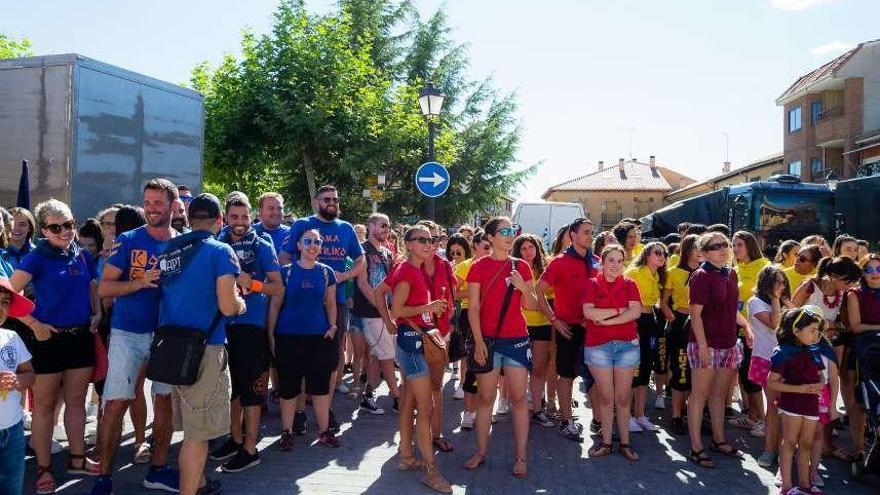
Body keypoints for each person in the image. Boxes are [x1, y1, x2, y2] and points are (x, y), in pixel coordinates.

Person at [92, 180, 181, 495]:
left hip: (168, 335)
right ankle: (103, 478)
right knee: (115, 403)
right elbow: (105, 289)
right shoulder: (129, 240)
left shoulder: (184, 244)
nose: (153, 208)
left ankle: (157, 470)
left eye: (159, 202)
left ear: (172, 205)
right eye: (148, 202)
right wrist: (139, 283)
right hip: (128, 332)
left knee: (164, 403)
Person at [10, 199, 102, 494]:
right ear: (44, 230)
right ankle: (44, 469)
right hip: (48, 341)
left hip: (80, 339)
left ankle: (77, 458)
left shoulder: (81, 254)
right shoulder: (37, 258)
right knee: (45, 407)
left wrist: (97, 311)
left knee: (76, 402)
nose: (65, 231)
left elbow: (91, 286)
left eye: (70, 225)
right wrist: (35, 325)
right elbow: (7, 295)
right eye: (56, 227)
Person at [158, 193, 244, 495]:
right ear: (219, 220)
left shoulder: (169, 249)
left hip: (172, 347)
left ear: (190, 218)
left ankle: (201, 483)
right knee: (198, 435)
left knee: (192, 429)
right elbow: (227, 305)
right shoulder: (221, 251)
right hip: (205, 349)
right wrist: (240, 304)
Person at [278, 185, 365, 430]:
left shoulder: (345, 228)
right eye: (327, 199)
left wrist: (344, 276)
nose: (332, 203)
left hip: (335, 302)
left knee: (330, 360)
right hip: (302, 302)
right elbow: (284, 257)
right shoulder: (301, 225)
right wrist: (294, 280)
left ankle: (326, 410)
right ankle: (298, 412)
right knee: (299, 362)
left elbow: (361, 260)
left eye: (335, 199)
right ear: (317, 201)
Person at [210, 195, 282, 472]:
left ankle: (251, 449)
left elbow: (277, 286)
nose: (239, 223)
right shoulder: (218, 244)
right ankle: (235, 438)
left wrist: (250, 282)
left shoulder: (263, 245)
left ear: (251, 217)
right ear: (226, 218)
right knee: (232, 389)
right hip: (222, 326)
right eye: (234, 217)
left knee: (252, 390)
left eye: (244, 217)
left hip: (252, 326)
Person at [379, 225, 453, 493]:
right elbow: (398, 308)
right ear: (408, 244)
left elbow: (379, 293)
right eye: (421, 239)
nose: (428, 243)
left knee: (411, 402)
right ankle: (432, 473)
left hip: (413, 343)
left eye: (431, 239)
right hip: (411, 347)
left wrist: (389, 324)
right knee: (426, 407)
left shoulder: (408, 268)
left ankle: (406, 457)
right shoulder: (408, 271)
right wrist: (428, 308)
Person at [464, 217, 536, 479]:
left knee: (518, 399)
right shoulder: (478, 267)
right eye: (504, 231)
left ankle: (521, 457)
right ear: (491, 238)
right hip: (489, 341)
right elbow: (472, 308)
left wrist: (522, 288)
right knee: (485, 399)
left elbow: (531, 305)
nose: (510, 235)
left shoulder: (522, 267)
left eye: (512, 231)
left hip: (516, 339)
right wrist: (479, 341)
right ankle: (480, 453)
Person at [686, 232, 753, 469]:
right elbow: (695, 315)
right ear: (703, 253)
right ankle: (696, 447)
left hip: (728, 343)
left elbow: (730, 309)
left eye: (725, 244)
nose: (723, 249)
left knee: (718, 396)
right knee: (699, 396)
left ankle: (719, 439)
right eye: (715, 247)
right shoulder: (701, 276)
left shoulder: (730, 273)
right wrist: (703, 346)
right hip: (706, 344)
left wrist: (746, 325)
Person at [270, 228, 340, 449]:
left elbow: (330, 303)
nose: (313, 245)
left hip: (318, 338)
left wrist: (332, 326)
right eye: (308, 241)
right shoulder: (286, 272)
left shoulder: (326, 272)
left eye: (317, 242)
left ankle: (324, 431)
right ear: (299, 245)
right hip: (288, 337)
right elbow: (275, 305)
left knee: (319, 387)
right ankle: (287, 432)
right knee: (289, 388)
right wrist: (271, 334)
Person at [791, 255, 861, 463]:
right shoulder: (811, 286)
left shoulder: (842, 294)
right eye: (847, 281)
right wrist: (822, 325)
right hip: (804, 346)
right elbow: (791, 312)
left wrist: (834, 326)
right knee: (805, 394)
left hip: (825, 347)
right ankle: (798, 443)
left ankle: (827, 444)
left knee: (828, 394)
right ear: (834, 276)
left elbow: (843, 324)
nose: (850, 286)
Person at [537, 218, 598, 442]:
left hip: (594, 328)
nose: (590, 236)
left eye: (592, 232)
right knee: (567, 375)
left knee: (596, 376)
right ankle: (566, 419)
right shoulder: (559, 262)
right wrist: (554, 319)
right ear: (573, 235)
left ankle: (599, 420)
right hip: (568, 328)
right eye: (585, 232)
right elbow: (539, 291)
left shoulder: (597, 261)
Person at [583, 245, 643, 461]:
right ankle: (607, 442)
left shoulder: (630, 284)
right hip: (598, 347)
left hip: (627, 346)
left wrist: (606, 319)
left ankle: (625, 443)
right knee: (607, 398)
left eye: (619, 261)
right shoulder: (591, 284)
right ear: (603, 262)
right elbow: (588, 312)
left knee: (623, 398)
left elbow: (635, 312)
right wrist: (619, 311)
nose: (615, 265)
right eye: (611, 260)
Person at [769, 307, 837, 495]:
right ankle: (787, 486)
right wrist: (799, 389)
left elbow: (820, 376)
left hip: (811, 404)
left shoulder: (814, 350)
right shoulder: (782, 352)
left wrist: (820, 383)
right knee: (790, 442)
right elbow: (772, 383)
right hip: (791, 404)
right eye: (812, 330)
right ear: (796, 330)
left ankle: (805, 484)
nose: (817, 335)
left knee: (806, 444)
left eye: (818, 330)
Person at [352, 214, 399, 415]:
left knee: (377, 357)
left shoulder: (388, 253)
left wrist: (392, 311)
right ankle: (399, 398)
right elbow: (362, 283)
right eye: (382, 225)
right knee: (387, 355)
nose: (386, 229)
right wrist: (383, 310)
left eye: (388, 226)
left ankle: (368, 396)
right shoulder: (361, 250)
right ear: (370, 226)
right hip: (370, 312)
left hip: (384, 312)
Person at [749, 265, 795, 468]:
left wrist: (785, 301)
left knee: (789, 407)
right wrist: (776, 300)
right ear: (766, 283)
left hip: (790, 361)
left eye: (783, 282)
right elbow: (775, 324)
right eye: (776, 281)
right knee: (774, 407)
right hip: (767, 359)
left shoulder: (787, 302)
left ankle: (786, 448)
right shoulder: (756, 302)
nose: (780, 285)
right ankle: (769, 449)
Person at [660, 234, 701, 435]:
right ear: (688, 250)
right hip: (680, 324)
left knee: (698, 374)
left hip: (702, 325)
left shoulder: (706, 272)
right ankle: (676, 415)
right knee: (680, 370)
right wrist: (671, 316)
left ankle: (693, 414)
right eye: (696, 248)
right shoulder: (673, 272)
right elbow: (664, 301)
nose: (700, 251)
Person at [513, 234, 555, 427]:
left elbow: (548, 302)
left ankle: (537, 409)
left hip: (543, 326)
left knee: (538, 369)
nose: (528, 252)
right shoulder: (514, 269)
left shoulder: (548, 270)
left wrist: (531, 296)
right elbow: (530, 304)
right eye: (524, 248)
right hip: (519, 325)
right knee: (519, 371)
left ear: (538, 249)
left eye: (532, 247)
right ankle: (519, 406)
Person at [624, 241, 667, 431]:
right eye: (657, 253)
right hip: (635, 322)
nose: (661, 256)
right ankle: (627, 416)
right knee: (634, 369)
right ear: (646, 254)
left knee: (646, 369)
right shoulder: (634, 273)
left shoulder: (657, 275)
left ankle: (640, 415)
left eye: (663, 254)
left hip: (651, 321)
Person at [0, 279, 36, 495]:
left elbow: (30, 375)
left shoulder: (12, 338)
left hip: (13, 431)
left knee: (12, 487)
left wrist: (18, 381)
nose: (1, 308)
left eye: (5, 302)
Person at [732, 231, 770, 429]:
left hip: (758, 330)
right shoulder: (737, 268)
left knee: (756, 376)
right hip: (738, 328)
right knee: (746, 375)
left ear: (750, 246)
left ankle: (764, 421)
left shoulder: (764, 267)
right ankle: (753, 416)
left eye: (739, 245)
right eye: (734, 245)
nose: (735, 249)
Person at [453, 231, 491, 427]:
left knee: (489, 367)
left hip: (491, 318)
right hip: (470, 316)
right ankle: (468, 412)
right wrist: (477, 289)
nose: (488, 250)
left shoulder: (496, 264)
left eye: (490, 246)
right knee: (471, 365)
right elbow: (455, 294)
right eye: (485, 246)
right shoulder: (464, 266)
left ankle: (484, 410)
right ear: (475, 245)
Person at [845, 253, 880, 462]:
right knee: (861, 401)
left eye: (878, 269)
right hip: (865, 350)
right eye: (869, 270)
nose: (874, 274)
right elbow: (856, 326)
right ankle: (858, 448)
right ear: (863, 273)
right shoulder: (854, 294)